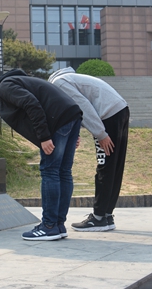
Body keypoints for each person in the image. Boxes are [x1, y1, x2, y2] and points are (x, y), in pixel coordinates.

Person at [0, 69, 82, 241]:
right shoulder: (16, 82)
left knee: (50, 171)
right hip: (70, 115)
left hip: (58, 119)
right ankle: (58, 225)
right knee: (63, 172)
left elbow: (31, 104)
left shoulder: (4, 87)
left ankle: (49, 226)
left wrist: (44, 137)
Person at [48, 67, 129, 232]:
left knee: (105, 166)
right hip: (120, 110)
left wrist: (100, 134)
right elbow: (75, 111)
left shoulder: (58, 83)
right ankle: (106, 215)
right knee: (114, 166)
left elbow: (83, 106)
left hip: (107, 116)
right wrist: (75, 135)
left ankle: (98, 218)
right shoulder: (70, 79)